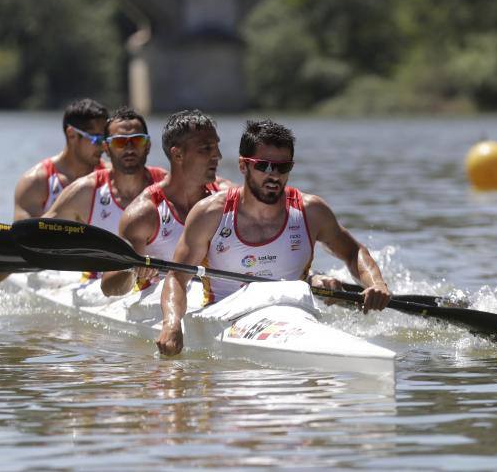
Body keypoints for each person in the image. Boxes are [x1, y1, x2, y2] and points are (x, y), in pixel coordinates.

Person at [156, 119, 391, 356]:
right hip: (227, 314)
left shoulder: (311, 211)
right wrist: (172, 323)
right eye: (264, 166)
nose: (274, 176)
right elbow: (177, 278)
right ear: (243, 166)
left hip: (293, 313)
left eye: (283, 167)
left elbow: (353, 252)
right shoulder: (210, 214)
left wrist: (376, 283)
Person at [0, 98, 110, 316]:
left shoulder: (112, 177)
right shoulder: (36, 183)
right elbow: (20, 250)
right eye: (97, 139)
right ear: (72, 135)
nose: (104, 147)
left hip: (98, 269)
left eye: (107, 139)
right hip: (48, 271)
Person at [100, 109, 230, 297]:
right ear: (177, 155)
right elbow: (109, 287)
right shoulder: (144, 213)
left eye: (216, 147)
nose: (218, 155)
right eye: (206, 149)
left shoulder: (225, 198)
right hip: (161, 303)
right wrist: (133, 268)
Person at [42, 106, 166, 234]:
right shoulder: (85, 191)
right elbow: (40, 230)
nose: (129, 148)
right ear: (106, 148)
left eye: (137, 140)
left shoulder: (169, 187)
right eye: (119, 142)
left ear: (148, 145)